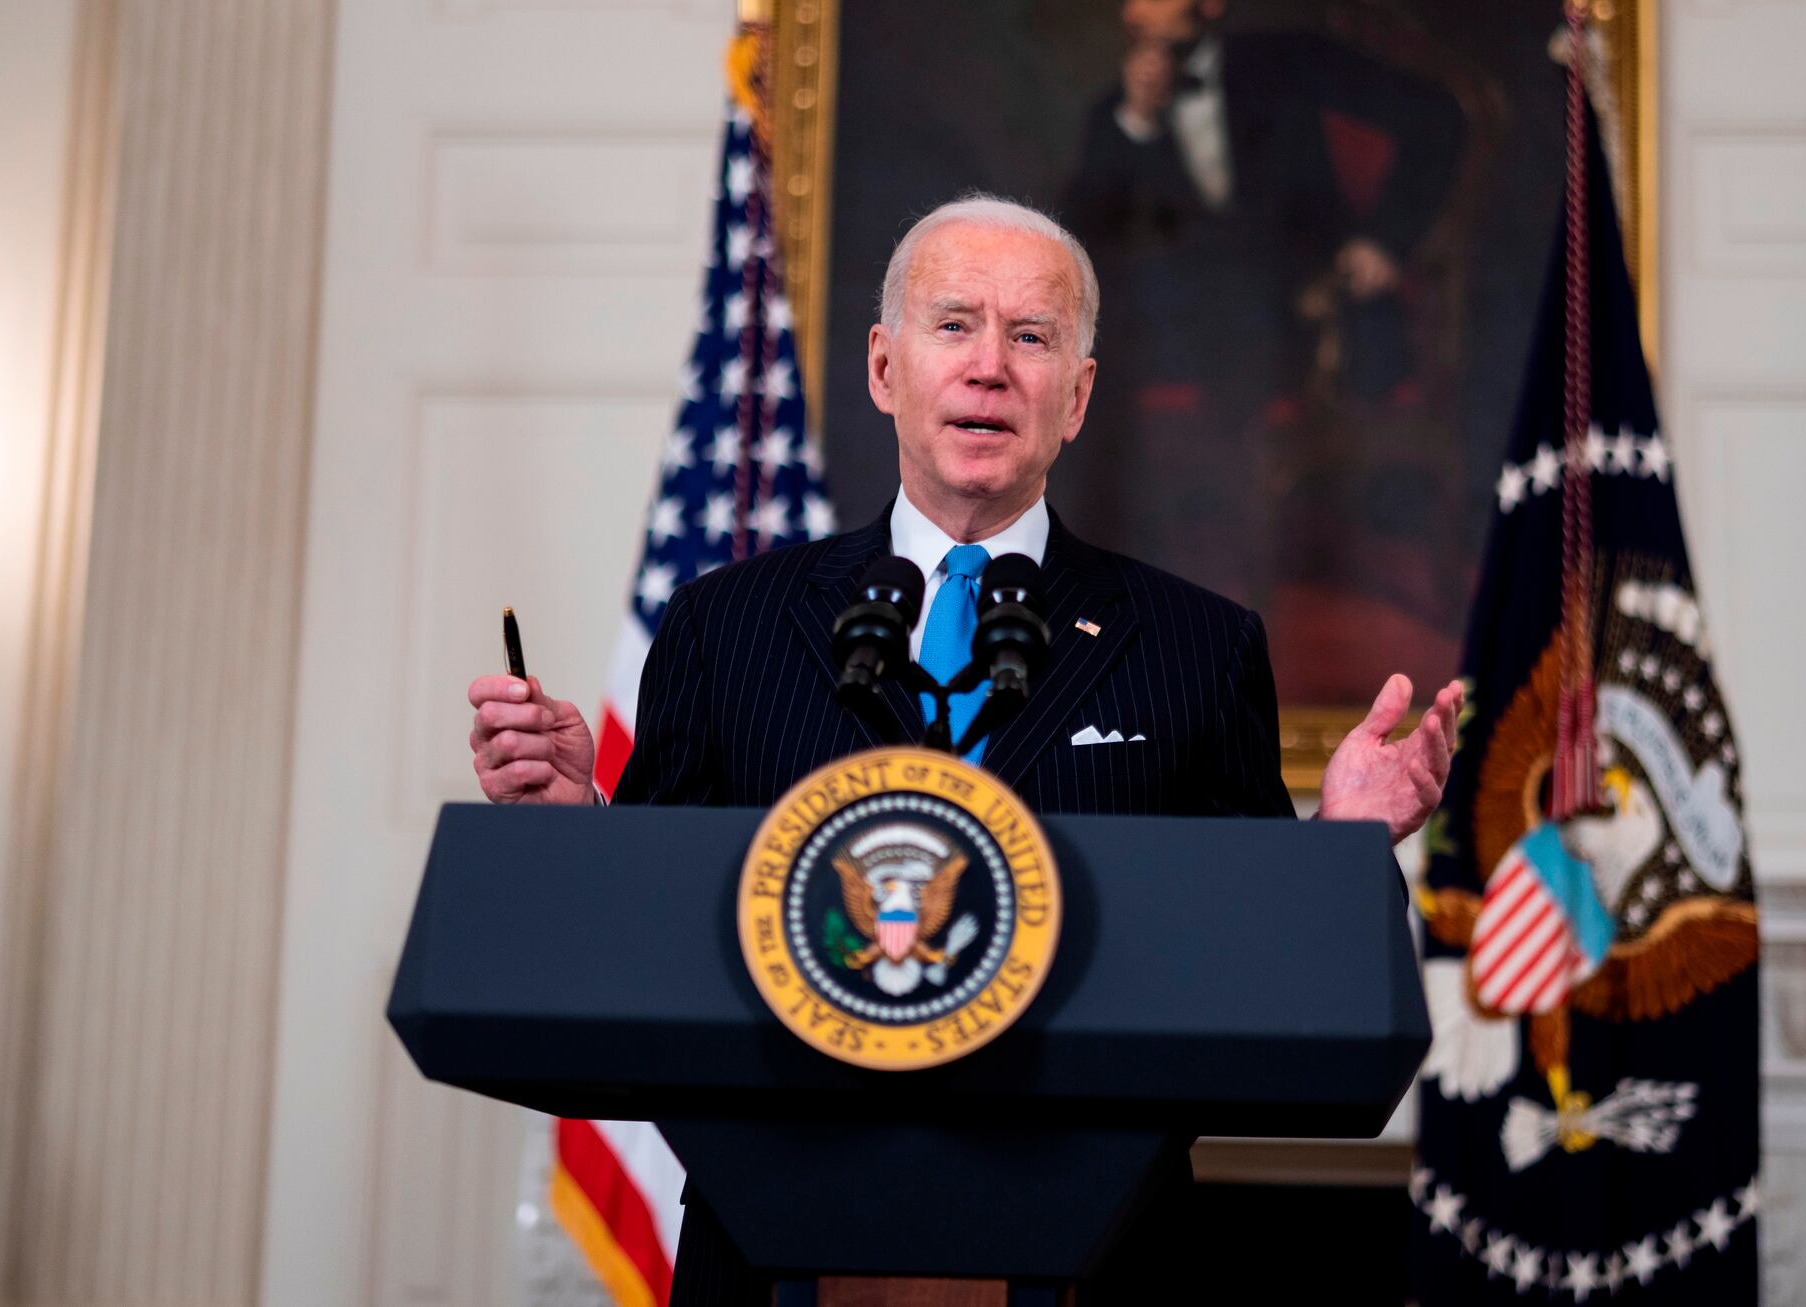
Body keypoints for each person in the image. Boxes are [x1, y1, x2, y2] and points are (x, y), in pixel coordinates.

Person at [465, 195, 1457, 1304]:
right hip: (777, 1243)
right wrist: (574, 834)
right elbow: (652, 952)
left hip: (1096, 1253)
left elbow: (1255, 982)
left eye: (1031, 337)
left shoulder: (1196, 645)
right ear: (886, 370)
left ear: (1075, 397)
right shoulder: (726, 625)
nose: (991, 367)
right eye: (954, 326)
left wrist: (1343, 843)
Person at [1058, 0, 1466, 606]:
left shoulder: (1292, 65)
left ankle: (1245, 599)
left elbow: (1438, 118)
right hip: (1179, 337)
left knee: (1236, 310)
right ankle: (1104, 593)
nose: (1137, 14)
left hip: (1315, 316)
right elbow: (1078, 242)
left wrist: (1385, 241)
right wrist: (1138, 121)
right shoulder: (1116, 115)